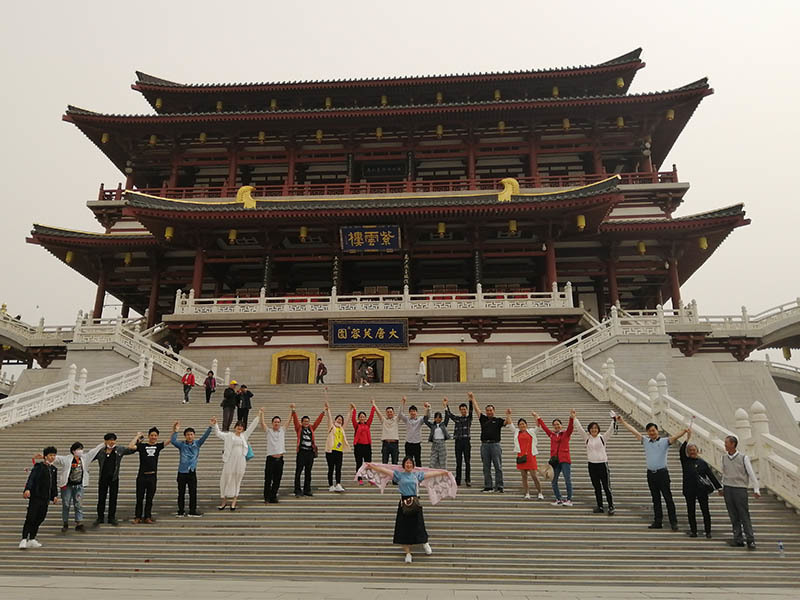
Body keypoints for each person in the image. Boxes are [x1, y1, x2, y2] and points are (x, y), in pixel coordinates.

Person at [367, 458, 450, 563]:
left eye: (410, 463)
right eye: (407, 463)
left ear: (413, 465)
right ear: (403, 465)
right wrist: (372, 466)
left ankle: (425, 542)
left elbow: (431, 474)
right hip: (404, 503)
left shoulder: (417, 475)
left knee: (419, 525)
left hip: (415, 502)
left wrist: (443, 471)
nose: (408, 465)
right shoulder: (399, 475)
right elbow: (384, 470)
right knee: (403, 529)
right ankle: (408, 553)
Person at [618, 416, 687, 530]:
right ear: (647, 432)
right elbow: (633, 431)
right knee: (656, 499)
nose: (651, 432)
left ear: (657, 430)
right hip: (651, 474)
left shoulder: (665, 441)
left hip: (662, 474)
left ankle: (673, 522)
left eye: (653, 430)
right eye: (649, 431)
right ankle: (658, 521)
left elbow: (675, 437)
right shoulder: (645, 441)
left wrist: (684, 431)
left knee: (668, 498)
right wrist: (622, 422)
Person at [50, 441, 104, 532]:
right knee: (66, 504)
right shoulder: (67, 459)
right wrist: (46, 457)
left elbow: (94, 451)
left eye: (81, 449)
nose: (80, 451)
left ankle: (79, 523)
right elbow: (57, 458)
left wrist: (104, 444)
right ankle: (65, 522)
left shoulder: (85, 458)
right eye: (78, 449)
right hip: (67, 486)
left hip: (79, 485)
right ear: (73, 451)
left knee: (78, 504)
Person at [213, 410, 262, 510]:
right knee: (225, 479)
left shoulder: (244, 436)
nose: (239, 427)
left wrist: (259, 415)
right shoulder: (229, 435)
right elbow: (218, 433)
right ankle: (223, 501)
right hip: (230, 460)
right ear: (235, 427)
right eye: (238, 426)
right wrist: (215, 424)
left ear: (243, 428)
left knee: (237, 479)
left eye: (241, 426)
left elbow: (252, 427)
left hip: (240, 461)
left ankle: (234, 502)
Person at [720, 435, 760, 549]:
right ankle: (738, 539)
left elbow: (751, 474)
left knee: (744, 515)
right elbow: (724, 474)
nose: (725, 445)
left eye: (726, 443)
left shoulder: (743, 458)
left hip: (740, 488)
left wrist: (756, 489)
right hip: (728, 488)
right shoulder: (723, 458)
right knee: (733, 515)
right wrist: (722, 487)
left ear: (733, 444)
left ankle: (750, 540)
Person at [679, 430, 721, 538]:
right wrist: (687, 438)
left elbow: (711, 475)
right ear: (688, 452)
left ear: (697, 451)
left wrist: (719, 488)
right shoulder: (685, 461)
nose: (692, 452)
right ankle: (694, 531)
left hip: (702, 490)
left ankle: (708, 531)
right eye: (690, 450)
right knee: (691, 511)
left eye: (694, 450)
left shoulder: (702, 463)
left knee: (705, 511)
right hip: (689, 490)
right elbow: (681, 450)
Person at [574, 412, 615, 514]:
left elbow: (611, 431)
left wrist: (614, 420)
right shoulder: (587, 438)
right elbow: (579, 429)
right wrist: (575, 418)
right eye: (592, 428)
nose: (594, 430)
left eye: (596, 428)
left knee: (606, 486)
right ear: (589, 430)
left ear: (598, 429)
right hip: (592, 465)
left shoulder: (602, 438)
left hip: (602, 464)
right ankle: (600, 506)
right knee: (597, 487)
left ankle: (611, 506)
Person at [170, 420, 212, 517]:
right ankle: (181, 511)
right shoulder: (182, 445)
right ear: (185, 436)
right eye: (188, 434)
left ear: (194, 435)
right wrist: (175, 431)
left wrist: (210, 426)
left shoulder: (197, 444)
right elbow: (173, 441)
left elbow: (204, 437)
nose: (190, 436)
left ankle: (192, 511)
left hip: (192, 472)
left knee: (193, 492)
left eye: (191, 434)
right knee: (181, 493)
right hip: (182, 472)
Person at [19, 447, 59, 549]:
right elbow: (31, 478)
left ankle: (32, 538)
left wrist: (54, 495)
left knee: (40, 518)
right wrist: (27, 489)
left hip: (45, 499)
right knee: (31, 517)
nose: (52, 457)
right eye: (50, 455)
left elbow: (53, 484)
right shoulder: (39, 467)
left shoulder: (53, 469)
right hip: (36, 497)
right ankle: (24, 539)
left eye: (54, 455)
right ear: (45, 456)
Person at [92, 433, 135, 526]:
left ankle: (111, 517)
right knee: (101, 498)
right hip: (103, 478)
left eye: (113, 440)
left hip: (114, 478)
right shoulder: (100, 451)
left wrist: (137, 439)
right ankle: (100, 517)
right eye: (110, 440)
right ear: (105, 441)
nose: (112, 442)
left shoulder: (119, 449)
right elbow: (89, 457)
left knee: (113, 498)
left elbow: (131, 450)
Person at [471, 394, 510, 493]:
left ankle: (499, 486)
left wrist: (508, 414)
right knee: (486, 467)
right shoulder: (483, 419)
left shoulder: (498, 420)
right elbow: (477, 410)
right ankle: (488, 486)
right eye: (487, 410)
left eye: (491, 410)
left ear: (494, 411)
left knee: (498, 466)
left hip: (495, 445)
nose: (489, 412)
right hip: (484, 445)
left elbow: (507, 423)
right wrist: (473, 398)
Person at [535, 410, 575, 506]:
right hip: (555, 461)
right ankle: (559, 499)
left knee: (567, 479)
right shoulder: (552, 435)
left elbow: (570, 428)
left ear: (561, 425)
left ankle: (569, 499)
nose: (556, 426)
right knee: (554, 481)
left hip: (565, 459)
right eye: (555, 425)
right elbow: (545, 428)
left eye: (558, 424)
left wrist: (571, 418)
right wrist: (538, 418)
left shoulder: (566, 434)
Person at [128, 427, 166, 524]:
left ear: (157, 437)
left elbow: (170, 440)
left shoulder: (158, 446)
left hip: (152, 476)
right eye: (152, 435)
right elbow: (130, 446)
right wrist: (137, 436)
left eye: (155, 435)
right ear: (149, 436)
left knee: (150, 498)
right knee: (139, 498)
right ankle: (137, 517)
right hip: (142, 476)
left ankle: (147, 516)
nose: (153, 437)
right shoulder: (142, 446)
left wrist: (175, 430)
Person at [291, 404, 325, 497]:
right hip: (301, 452)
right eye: (305, 421)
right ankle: (297, 490)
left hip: (310, 452)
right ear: (302, 422)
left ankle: (307, 489)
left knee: (308, 472)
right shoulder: (299, 428)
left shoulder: (311, 428)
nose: (306, 423)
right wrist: (293, 411)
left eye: (308, 421)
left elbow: (317, 422)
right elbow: (295, 421)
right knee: (298, 471)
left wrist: (323, 412)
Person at [260, 408, 291, 503]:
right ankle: (266, 496)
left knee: (277, 479)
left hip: (280, 459)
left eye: (278, 422)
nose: (276, 423)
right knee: (268, 479)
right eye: (275, 422)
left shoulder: (282, 430)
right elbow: (262, 423)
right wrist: (262, 413)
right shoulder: (269, 431)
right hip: (271, 459)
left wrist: (292, 410)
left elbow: (289, 421)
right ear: (272, 423)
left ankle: (273, 496)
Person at [509, 414, 543, 500]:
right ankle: (527, 493)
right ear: (518, 426)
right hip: (521, 456)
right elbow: (510, 424)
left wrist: (536, 417)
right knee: (524, 476)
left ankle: (540, 492)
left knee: (534, 476)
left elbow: (538, 426)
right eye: (520, 424)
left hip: (530, 456)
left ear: (526, 425)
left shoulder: (531, 431)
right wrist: (508, 415)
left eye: (523, 424)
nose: (522, 426)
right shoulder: (516, 432)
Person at [444, 394, 473, 487]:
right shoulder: (457, 419)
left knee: (467, 461)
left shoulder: (468, 418)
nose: (463, 411)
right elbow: (449, 414)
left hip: (466, 441)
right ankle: (458, 479)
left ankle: (468, 479)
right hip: (458, 442)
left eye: (465, 409)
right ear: (460, 410)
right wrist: (446, 405)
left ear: (466, 410)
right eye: (462, 409)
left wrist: (470, 400)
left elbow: (472, 411)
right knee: (459, 461)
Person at [324, 394, 350, 492]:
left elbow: (347, 421)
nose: (340, 420)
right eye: (338, 419)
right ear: (335, 420)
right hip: (330, 451)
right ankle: (331, 485)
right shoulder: (331, 427)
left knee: (338, 468)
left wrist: (350, 411)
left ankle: (338, 484)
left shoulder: (342, 429)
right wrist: (328, 409)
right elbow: (329, 418)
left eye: (341, 420)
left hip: (339, 450)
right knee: (331, 468)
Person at [350, 401, 376, 484]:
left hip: (367, 446)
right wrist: (354, 409)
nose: (362, 418)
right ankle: (360, 478)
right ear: (359, 418)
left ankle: (370, 478)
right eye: (360, 417)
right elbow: (353, 419)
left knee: (368, 463)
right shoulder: (357, 426)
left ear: (365, 418)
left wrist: (373, 406)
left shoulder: (367, 425)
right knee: (359, 463)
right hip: (358, 446)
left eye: (363, 417)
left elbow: (371, 416)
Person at [422, 402, 451, 469]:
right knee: (432, 463)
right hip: (434, 444)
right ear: (434, 418)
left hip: (442, 444)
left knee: (442, 463)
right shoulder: (432, 425)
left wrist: (445, 407)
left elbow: (447, 417)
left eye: (439, 418)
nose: (438, 419)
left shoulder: (443, 424)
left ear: (441, 419)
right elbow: (425, 421)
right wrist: (427, 409)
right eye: (436, 418)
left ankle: (443, 478)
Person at [399, 397, 425, 467]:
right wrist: (403, 403)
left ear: (416, 412)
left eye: (414, 411)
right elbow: (400, 414)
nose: (413, 412)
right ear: (409, 412)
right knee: (408, 460)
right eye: (411, 411)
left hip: (417, 443)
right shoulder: (407, 419)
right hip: (408, 443)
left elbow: (427, 417)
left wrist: (428, 408)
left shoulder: (420, 420)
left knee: (418, 460)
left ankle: (419, 475)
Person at [374, 400, 399, 465]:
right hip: (385, 444)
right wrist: (374, 404)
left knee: (395, 463)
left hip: (394, 444)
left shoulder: (396, 419)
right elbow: (378, 413)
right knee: (384, 463)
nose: (389, 413)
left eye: (391, 412)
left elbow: (401, 412)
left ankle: (394, 475)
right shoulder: (384, 420)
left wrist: (403, 402)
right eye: (388, 412)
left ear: (393, 412)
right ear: (386, 413)